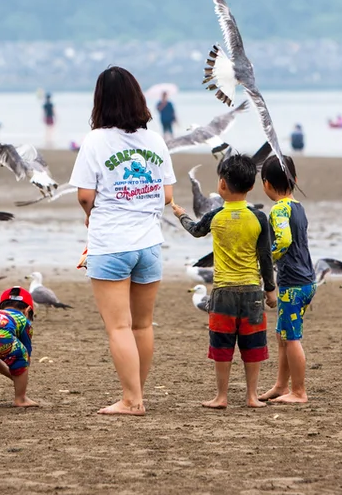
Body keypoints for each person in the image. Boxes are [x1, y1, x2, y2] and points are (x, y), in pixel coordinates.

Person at [69, 67, 176, 416]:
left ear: (100, 100)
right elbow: (167, 195)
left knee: (118, 326)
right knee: (142, 325)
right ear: (137, 98)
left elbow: (85, 195)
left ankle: (132, 400)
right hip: (149, 243)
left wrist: (91, 213)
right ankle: (136, 394)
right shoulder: (155, 140)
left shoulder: (95, 140)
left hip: (111, 242)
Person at [173, 153, 276, 409]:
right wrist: (270, 289)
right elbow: (265, 256)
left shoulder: (215, 216)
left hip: (222, 294)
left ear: (221, 184)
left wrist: (181, 215)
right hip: (252, 292)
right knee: (253, 346)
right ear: (251, 185)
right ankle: (252, 396)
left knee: (222, 346)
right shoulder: (259, 218)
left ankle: (221, 397)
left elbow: (195, 230)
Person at [257, 155, 314, 404]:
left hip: (293, 283)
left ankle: (299, 391)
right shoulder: (298, 206)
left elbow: (284, 240)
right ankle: (281, 386)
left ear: (266, 184)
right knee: (282, 336)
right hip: (306, 279)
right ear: (295, 180)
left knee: (291, 338)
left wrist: (268, 259)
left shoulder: (279, 209)